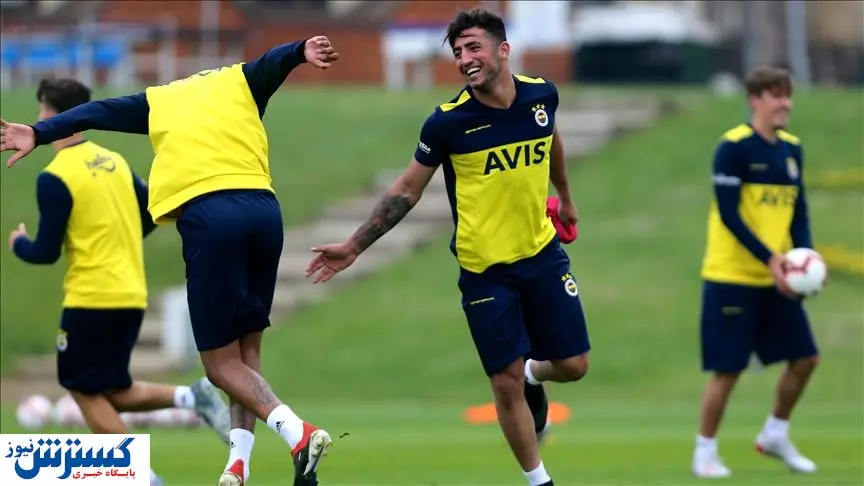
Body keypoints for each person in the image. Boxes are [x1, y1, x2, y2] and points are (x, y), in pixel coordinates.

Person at [1, 37, 340, 486]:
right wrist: (301, 50)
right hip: (264, 213)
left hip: (198, 227)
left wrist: (37, 133)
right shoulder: (236, 82)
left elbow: (98, 112)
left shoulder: (160, 101)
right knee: (245, 353)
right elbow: (272, 62)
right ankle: (238, 464)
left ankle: (298, 433)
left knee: (217, 366)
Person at [304, 10, 589, 486]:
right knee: (504, 382)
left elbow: (551, 138)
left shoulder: (542, 94)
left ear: (503, 50)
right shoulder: (447, 123)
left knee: (574, 366)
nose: (464, 59)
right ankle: (539, 480)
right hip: (485, 272)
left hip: (542, 256)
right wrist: (354, 246)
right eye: (457, 52)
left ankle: (535, 375)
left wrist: (567, 197)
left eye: (474, 47)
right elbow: (406, 190)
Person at [8, 78, 232, 486]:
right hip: (130, 293)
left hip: (92, 297)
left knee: (80, 388)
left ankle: (143, 478)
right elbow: (150, 215)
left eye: (41, 112)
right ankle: (190, 396)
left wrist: (18, 243)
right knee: (112, 389)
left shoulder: (55, 176)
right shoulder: (114, 162)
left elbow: (45, 251)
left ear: (50, 116)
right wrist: (117, 238)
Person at [693, 66, 820, 478]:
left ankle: (775, 434)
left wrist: (804, 261)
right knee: (728, 370)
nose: (785, 103)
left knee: (805, 359)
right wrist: (772, 259)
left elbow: (798, 213)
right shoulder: (733, 148)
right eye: (776, 95)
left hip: (777, 280)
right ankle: (705, 452)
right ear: (755, 99)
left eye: (787, 95)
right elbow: (730, 215)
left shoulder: (792, 150)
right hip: (731, 278)